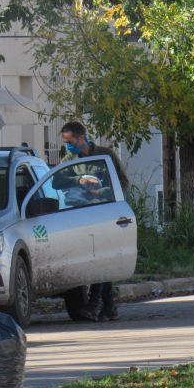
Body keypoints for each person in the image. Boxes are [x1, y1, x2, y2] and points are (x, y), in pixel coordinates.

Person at [59, 121, 129, 321]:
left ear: (81, 138)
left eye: (70, 141)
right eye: (66, 142)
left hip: (105, 214)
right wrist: (78, 180)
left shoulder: (105, 155)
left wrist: (102, 192)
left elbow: (123, 183)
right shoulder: (70, 159)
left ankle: (95, 303)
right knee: (96, 258)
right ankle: (108, 306)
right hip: (83, 216)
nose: (68, 146)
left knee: (100, 258)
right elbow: (57, 180)